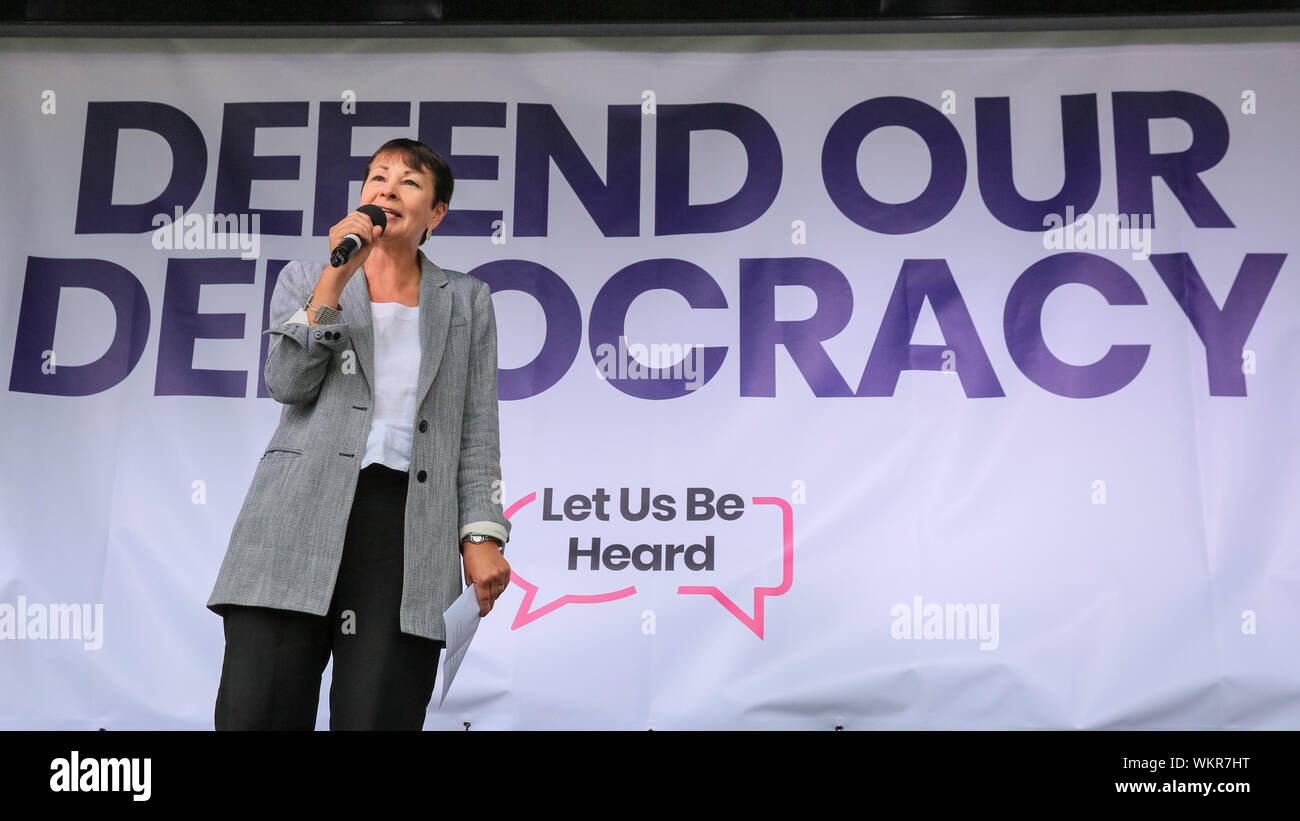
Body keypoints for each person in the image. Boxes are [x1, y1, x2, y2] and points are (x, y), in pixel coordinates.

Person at [207, 138, 511, 730]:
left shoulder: (468, 301)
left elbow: (477, 429)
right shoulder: (308, 277)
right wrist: (334, 280)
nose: (387, 190)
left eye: (409, 182)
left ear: (436, 213)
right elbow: (288, 383)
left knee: (379, 713)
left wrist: (482, 533)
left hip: (405, 528)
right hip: (296, 517)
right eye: (377, 178)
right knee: (257, 713)